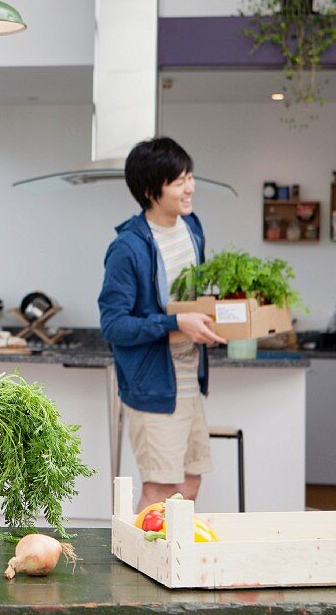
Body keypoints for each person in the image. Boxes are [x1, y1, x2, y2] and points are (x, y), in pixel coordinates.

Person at [97, 137, 226, 511]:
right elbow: (114, 325)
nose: (190, 187)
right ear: (152, 190)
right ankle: (140, 567)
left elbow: (189, 299)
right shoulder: (127, 248)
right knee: (159, 492)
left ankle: (172, 563)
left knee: (189, 482)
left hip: (189, 380)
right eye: (179, 180)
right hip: (153, 388)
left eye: (190, 176)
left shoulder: (192, 228)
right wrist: (175, 323)